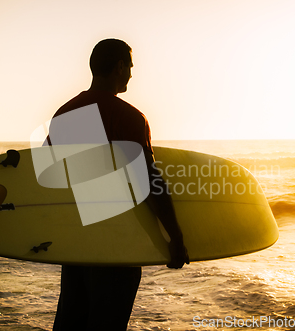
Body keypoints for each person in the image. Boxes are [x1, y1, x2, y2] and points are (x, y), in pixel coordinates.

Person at [50, 39, 189, 331]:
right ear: (119, 67)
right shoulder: (127, 116)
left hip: (75, 242)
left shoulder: (64, 114)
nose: (131, 74)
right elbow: (149, 180)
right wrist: (175, 236)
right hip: (117, 242)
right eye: (130, 67)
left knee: (71, 325)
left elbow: (53, 180)